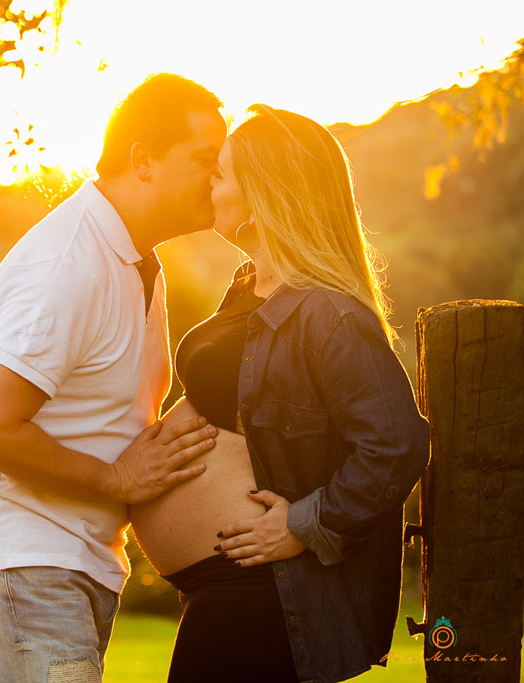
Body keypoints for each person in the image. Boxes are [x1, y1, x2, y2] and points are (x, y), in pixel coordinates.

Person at [0, 74, 228, 682]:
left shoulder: (139, 260)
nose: (218, 179)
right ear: (143, 160)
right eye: (203, 160)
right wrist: (117, 477)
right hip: (19, 558)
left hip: (68, 559)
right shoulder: (69, 265)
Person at [129, 105, 431, 682]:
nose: (207, 186)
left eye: (218, 175)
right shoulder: (248, 288)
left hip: (260, 590)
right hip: (223, 589)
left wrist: (302, 523)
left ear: (264, 191)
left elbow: (396, 444)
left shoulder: (329, 313)